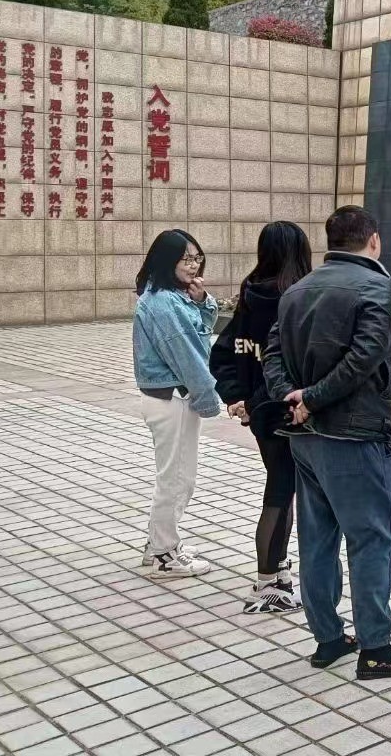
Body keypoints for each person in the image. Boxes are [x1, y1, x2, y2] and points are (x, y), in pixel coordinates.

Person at [263, 205, 391, 681]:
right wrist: (313, 398)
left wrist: (292, 397)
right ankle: (376, 648)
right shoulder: (375, 286)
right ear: (373, 240)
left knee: (317, 540)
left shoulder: (297, 290)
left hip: (304, 439)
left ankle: (328, 638)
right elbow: (366, 356)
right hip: (354, 437)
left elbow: (272, 354)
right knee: (372, 539)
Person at [210, 220, 313, 614]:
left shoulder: (250, 293)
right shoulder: (294, 298)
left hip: (261, 414)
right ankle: (267, 583)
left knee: (281, 488)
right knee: (280, 492)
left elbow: (224, 351)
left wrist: (237, 397)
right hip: (286, 411)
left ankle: (278, 568)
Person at [132, 228, 224, 578]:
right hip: (171, 399)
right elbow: (189, 356)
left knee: (179, 477)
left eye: (196, 257)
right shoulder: (162, 303)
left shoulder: (171, 296)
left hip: (174, 398)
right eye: (185, 258)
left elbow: (198, 337)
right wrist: (210, 399)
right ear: (166, 260)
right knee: (176, 479)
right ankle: (164, 554)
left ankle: (158, 543)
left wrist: (202, 302)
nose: (193, 264)